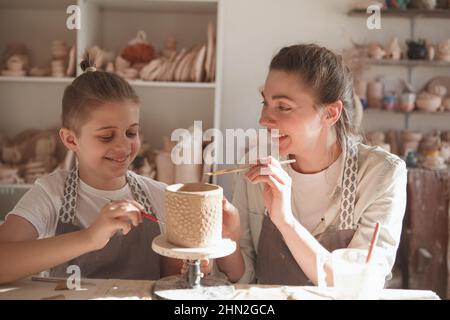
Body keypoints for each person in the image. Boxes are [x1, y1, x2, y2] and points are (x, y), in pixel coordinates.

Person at [215, 44, 407, 286]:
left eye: (283, 107)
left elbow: (359, 285)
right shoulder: (257, 163)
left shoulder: (381, 175)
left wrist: (285, 220)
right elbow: (245, 277)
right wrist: (227, 241)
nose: (263, 120)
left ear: (330, 114)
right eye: (264, 103)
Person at [0, 53, 181, 284]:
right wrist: (90, 238)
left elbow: (170, 279)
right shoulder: (51, 193)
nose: (124, 146)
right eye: (107, 136)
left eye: (131, 133)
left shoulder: (160, 196)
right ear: (71, 140)